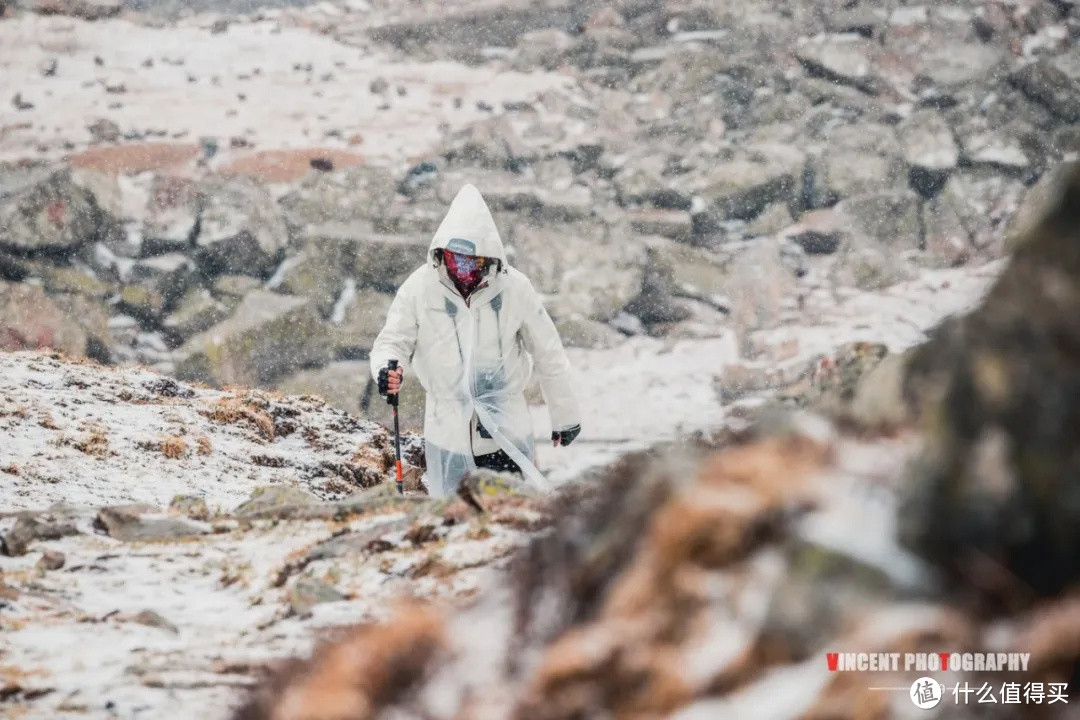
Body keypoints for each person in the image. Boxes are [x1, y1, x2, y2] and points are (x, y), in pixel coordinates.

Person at [370, 184, 581, 496]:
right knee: (454, 520)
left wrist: (565, 417)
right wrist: (387, 370)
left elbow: (548, 352)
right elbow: (392, 342)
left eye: (473, 261)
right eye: (458, 260)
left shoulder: (515, 289)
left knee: (510, 517)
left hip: (506, 431)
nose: (465, 270)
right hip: (448, 434)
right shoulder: (418, 288)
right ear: (443, 254)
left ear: (488, 258)